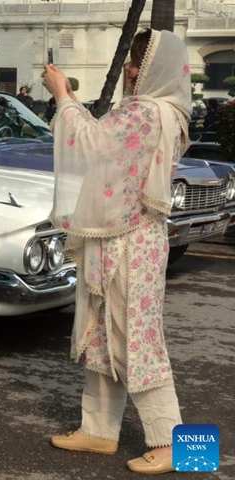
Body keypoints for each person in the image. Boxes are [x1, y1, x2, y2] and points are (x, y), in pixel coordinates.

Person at [41, 29, 191, 475]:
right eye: (129, 61)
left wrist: (63, 95)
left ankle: (173, 443)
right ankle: (99, 430)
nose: (128, 69)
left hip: (128, 242)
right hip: (129, 238)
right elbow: (108, 149)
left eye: (136, 63)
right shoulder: (166, 111)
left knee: (136, 338)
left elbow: (90, 145)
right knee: (104, 335)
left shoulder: (146, 112)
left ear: (152, 69)